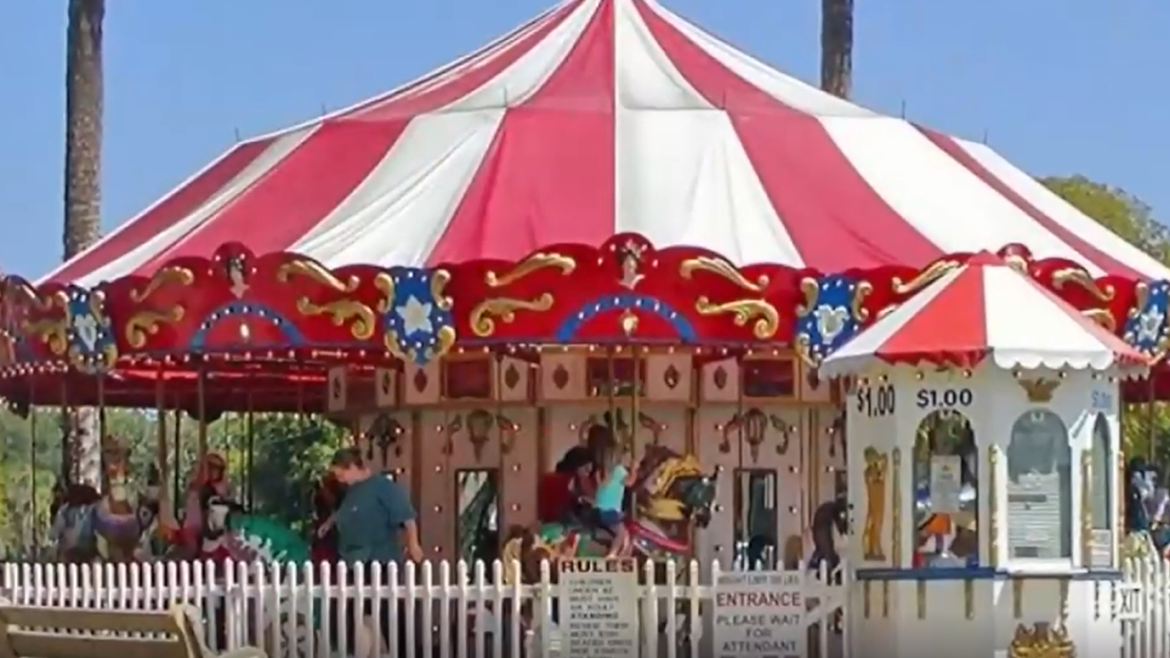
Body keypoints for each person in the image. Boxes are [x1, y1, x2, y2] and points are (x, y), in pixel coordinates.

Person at [328, 447, 422, 656]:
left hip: (378, 561)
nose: (340, 479)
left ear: (352, 467)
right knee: (345, 613)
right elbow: (347, 514)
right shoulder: (351, 492)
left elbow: (407, 517)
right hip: (353, 562)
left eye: (341, 474)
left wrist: (413, 544)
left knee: (391, 615)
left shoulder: (383, 487)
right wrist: (330, 522)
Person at [181, 452, 232, 558]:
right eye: (212, 467)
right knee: (192, 550)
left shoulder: (223, 488)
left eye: (219, 468)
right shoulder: (196, 486)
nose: (216, 471)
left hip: (215, 525)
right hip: (194, 525)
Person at [593, 443, 636, 558]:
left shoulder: (608, 471)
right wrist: (634, 469)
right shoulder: (619, 470)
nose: (628, 460)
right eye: (627, 457)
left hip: (600, 508)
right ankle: (612, 555)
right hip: (609, 510)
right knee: (621, 533)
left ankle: (622, 556)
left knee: (626, 534)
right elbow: (630, 482)